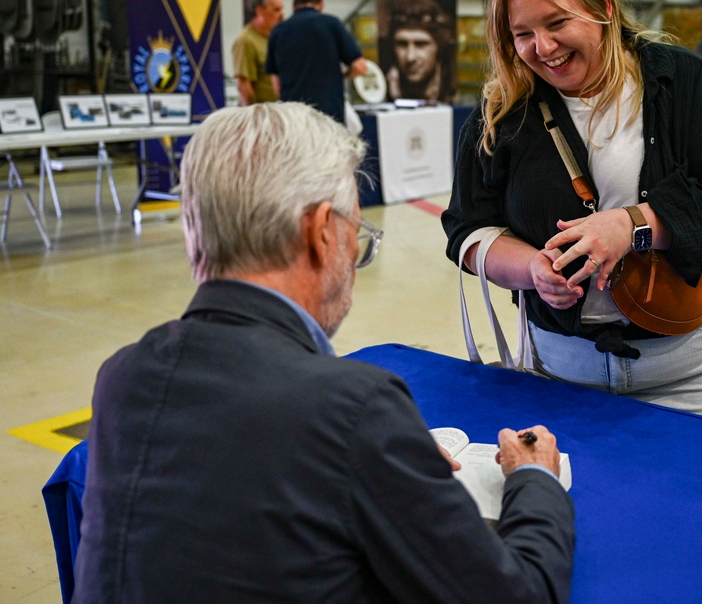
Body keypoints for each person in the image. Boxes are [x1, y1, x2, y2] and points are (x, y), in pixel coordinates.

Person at [73, 102, 575, 603]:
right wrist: (534, 480)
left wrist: (382, 457)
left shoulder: (123, 376)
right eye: (357, 237)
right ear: (320, 233)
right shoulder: (352, 407)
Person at [442, 0, 702, 423]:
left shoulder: (683, 83)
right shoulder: (500, 113)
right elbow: (467, 230)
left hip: (696, 373)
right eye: (522, 34)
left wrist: (633, 226)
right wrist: (531, 268)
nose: (543, 48)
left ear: (603, 8)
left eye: (557, 23)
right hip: (560, 372)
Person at [265, 0, 367, 124]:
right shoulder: (332, 24)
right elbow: (360, 67)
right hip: (328, 112)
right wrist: (342, 76)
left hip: (292, 116)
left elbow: (276, 85)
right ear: (320, 5)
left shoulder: (277, 32)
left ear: (294, 7)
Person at [386, 0, 455, 102]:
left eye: (421, 44)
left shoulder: (451, 92)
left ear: (439, 48)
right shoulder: (381, 92)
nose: (410, 57)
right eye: (402, 44)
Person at [231, 0, 283, 106]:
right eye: (276, 10)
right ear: (260, 11)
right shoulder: (246, 41)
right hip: (262, 115)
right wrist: (255, 115)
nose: (281, 15)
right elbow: (244, 84)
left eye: (281, 9)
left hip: (277, 111)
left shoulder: (273, 38)